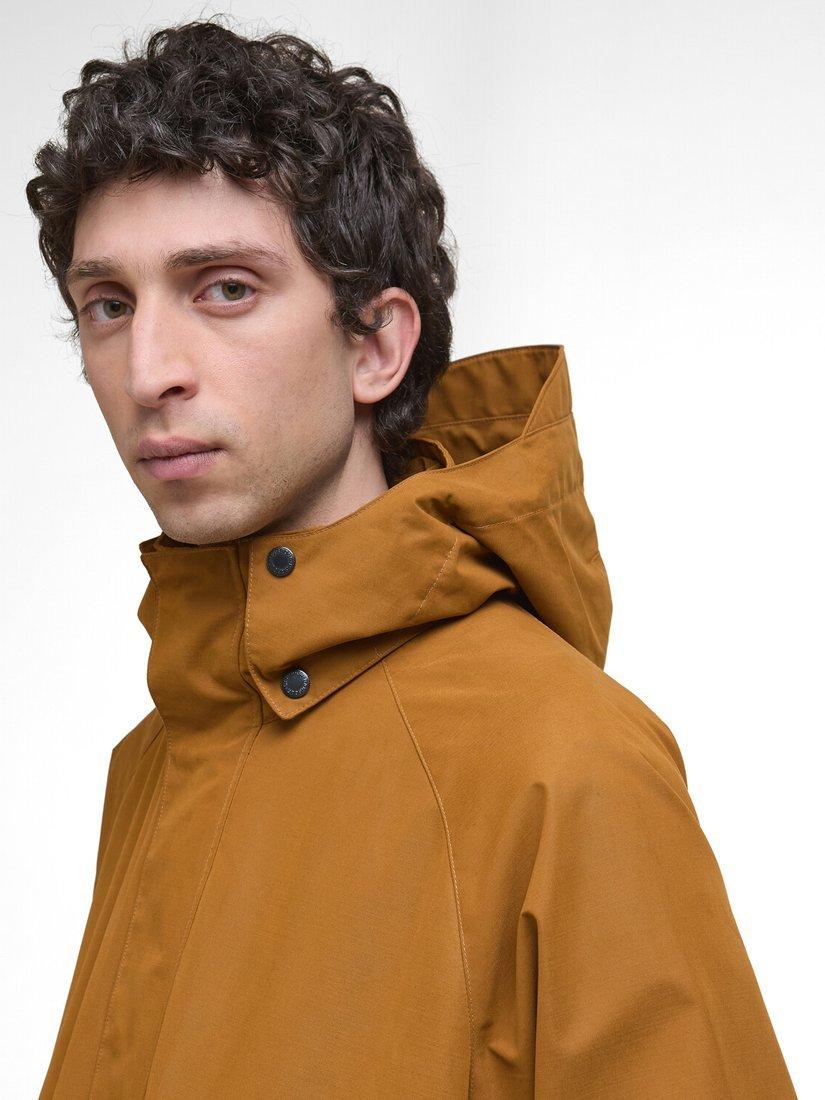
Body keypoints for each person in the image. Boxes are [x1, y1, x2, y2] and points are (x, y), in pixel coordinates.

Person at [27, 15, 797, 1098]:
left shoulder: (565, 760)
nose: (148, 369)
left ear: (377, 344)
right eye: (108, 305)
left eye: (225, 288)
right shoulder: (153, 759)